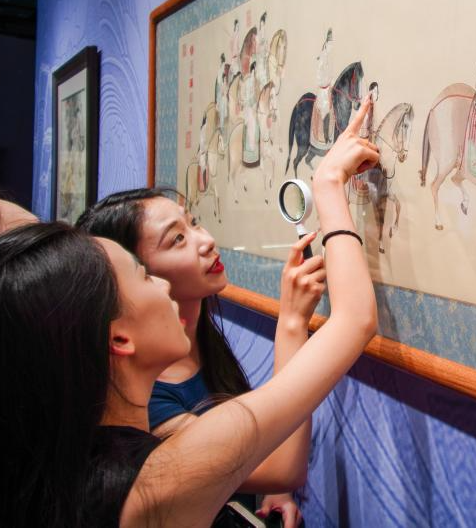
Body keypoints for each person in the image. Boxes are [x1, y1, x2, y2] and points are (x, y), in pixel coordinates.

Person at [0, 100, 379, 527]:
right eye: (144, 276)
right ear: (118, 338)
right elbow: (353, 320)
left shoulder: (75, 463)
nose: (164, 285)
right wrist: (327, 184)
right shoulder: (158, 477)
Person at [76, 181, 322, 525]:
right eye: (177, 239)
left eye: (193, 222)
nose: (205, 241)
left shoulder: (199, 343)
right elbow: (278, 468)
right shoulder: (145, 401)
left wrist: (270, 487)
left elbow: (256, 455)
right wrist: (292, 322)